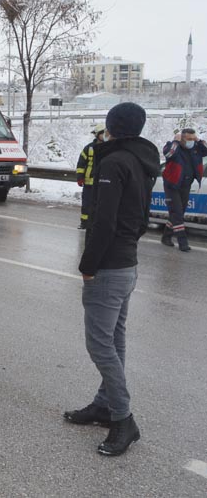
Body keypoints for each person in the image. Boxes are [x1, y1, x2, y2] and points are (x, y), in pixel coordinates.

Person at [65, 102, 160, 457]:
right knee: (115, 339)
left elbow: (102, 221)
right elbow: (143, 218)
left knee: (100, 345)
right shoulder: (142, 160)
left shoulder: (114, 162)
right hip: (127, 263)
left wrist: (88, 264)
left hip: (108, 267)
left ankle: (123, 419)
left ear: (111, 126)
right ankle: (104, 405)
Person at [160, 128, 207, 252]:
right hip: (172, 185)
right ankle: (183, 242)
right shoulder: (173, 146)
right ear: (182, 138)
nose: (191, 141)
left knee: (178, 212)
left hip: (186, 185)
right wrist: (175, 142)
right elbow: (169, 154)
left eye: (193, 138)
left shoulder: (196, 148)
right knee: (177, 213)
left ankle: (166, 237)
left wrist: (199, 140)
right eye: (188, 139)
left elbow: (206, 150)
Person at [76, 124, 106, 229]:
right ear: (97, 135)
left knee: (100, 204)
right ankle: (84, 222)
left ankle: (97, 223)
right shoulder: (89, 148)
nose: (105, 135)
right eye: (102, 133)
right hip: (89, 182)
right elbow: (81, 164)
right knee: (87, 204)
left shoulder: (109, 147)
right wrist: (80, 177)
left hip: (102, 182)